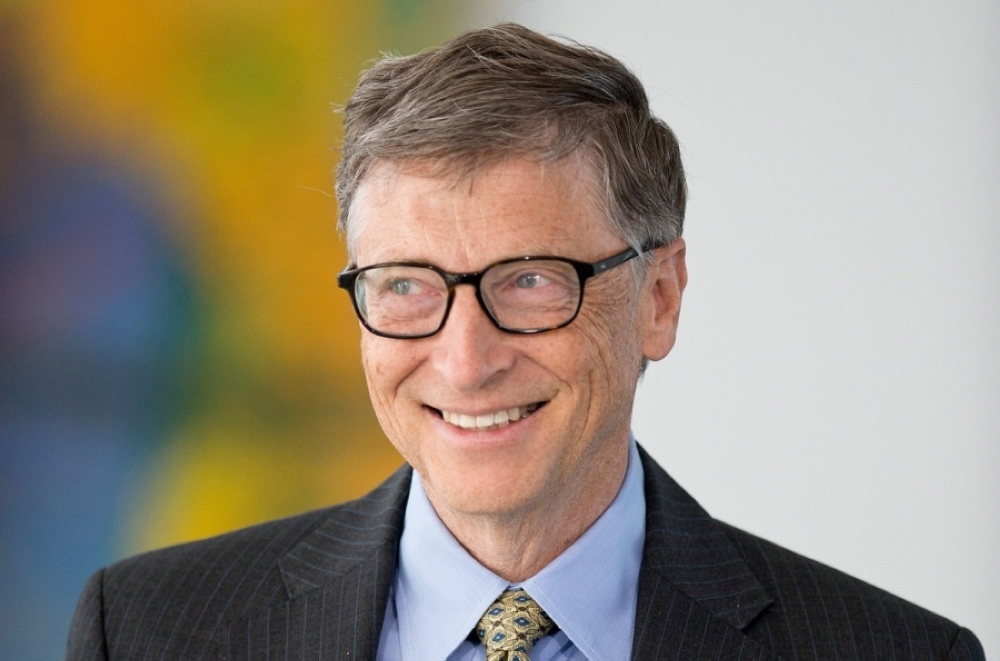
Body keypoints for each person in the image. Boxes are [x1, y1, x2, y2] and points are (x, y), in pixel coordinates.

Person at [67, 23, 984, 660]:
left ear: (659, 298)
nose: (466, 360)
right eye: (406, 285)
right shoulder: (144, 632)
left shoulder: (896, 652)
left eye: (531, 280)